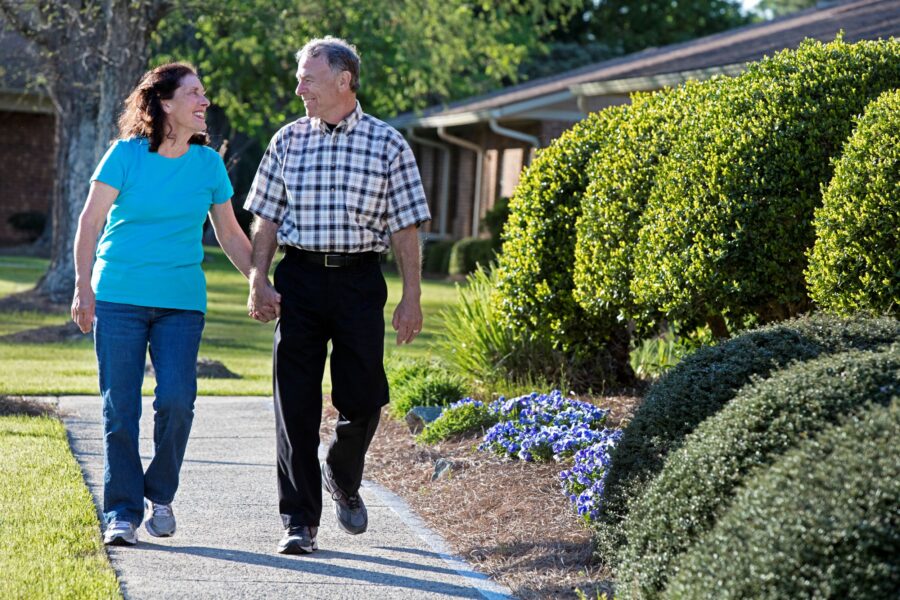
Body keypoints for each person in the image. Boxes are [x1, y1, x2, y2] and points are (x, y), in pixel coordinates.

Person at [244, 36, 431, 555]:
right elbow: (267, 218)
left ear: (343, 80)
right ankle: (299, 521)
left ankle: (342, 473)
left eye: (308, 77)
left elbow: (406, 228)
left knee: (365, 396)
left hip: (358, 281)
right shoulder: (286, 141)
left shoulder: (388, 143)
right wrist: (258, 278)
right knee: (294, 404)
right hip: (299, 280)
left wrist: (412, 296)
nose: (299, 86)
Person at [71, 62, 252, 546]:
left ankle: (161, 492)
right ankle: (123, 513)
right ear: (165, 103)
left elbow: (230, 234)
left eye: (204, 92)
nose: (204, 101)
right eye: (194, 92)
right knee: (119, 408)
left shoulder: (208, 164)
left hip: (180, 302)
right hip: (119, 297)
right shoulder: (125, 155)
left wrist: (261, 280)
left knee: (176, 399)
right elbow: (90, 223)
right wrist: (82, 287)